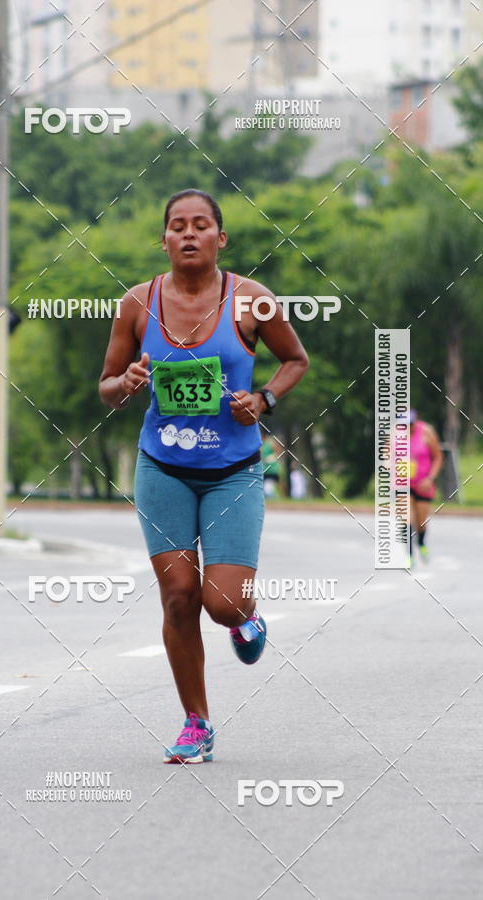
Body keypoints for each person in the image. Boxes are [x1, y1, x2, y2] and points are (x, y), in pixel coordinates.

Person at [99, 189, 309, 763]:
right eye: (176, 226)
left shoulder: (253, 301)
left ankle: (247, 618)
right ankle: (197, 722)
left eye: (200, 225)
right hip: (162, 468)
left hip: (233, 471)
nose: (188, 234)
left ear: (221, 237)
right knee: (178, 598)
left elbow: (296, 360)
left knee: (221, 602)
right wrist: (128, 383)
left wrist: (263, 399)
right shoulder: (138, 305)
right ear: (164, 239)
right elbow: (107, 387)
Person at [409, 409, 443, 564]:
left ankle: (421, 542)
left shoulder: (427, 432)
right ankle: (408, 555)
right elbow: (386, 456)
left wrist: (430, 478)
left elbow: (437, 457)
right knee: (407, 518)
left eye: (411, 424)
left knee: (421, 521)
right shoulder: (394, 435)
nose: (408, 428)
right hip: (404, 483)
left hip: (423, 484)